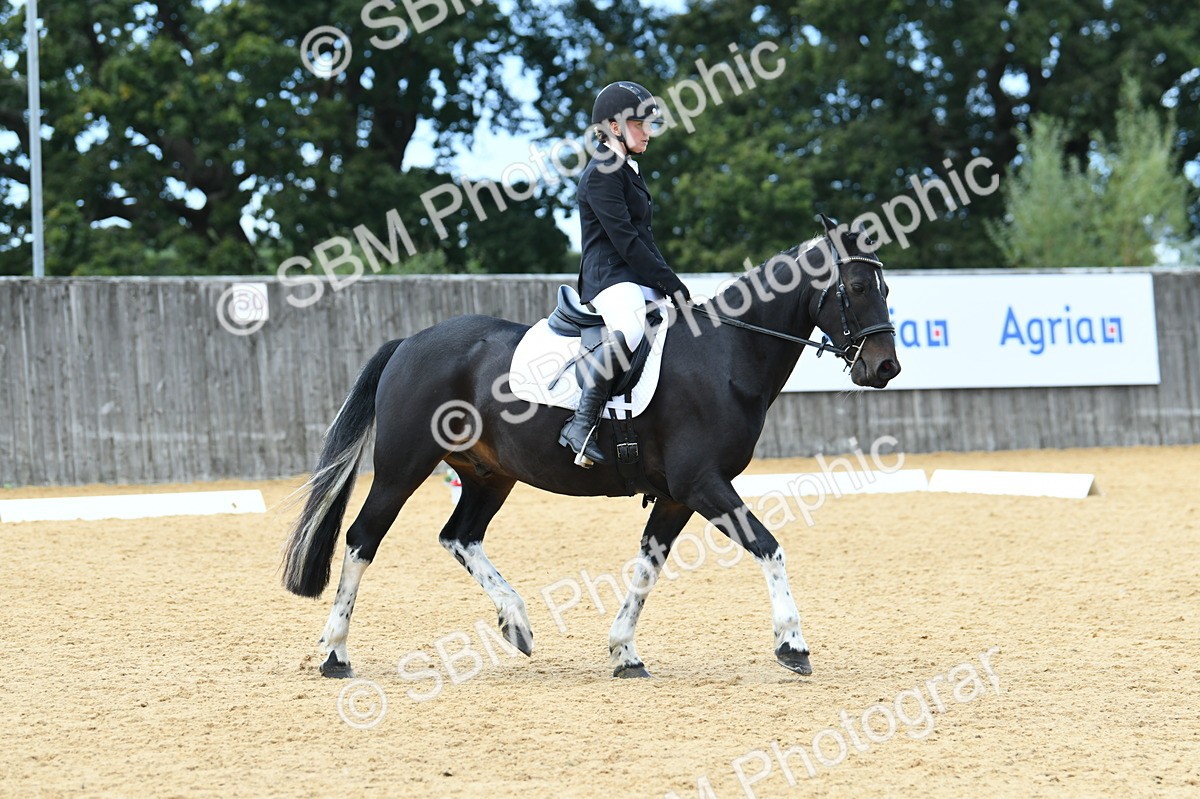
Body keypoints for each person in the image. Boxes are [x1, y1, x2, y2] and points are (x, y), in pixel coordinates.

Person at [559, 80, 692, 467]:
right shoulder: (602, 173)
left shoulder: (626, 169)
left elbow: (645, 240)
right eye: (640, 124)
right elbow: (627, 243)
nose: (648, 132)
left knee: (676, 330)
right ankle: (579, 426)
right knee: (633, 329)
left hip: (634, 276)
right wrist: (671, 283)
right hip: (610, 278)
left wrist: (670, 286)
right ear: (614, 127)